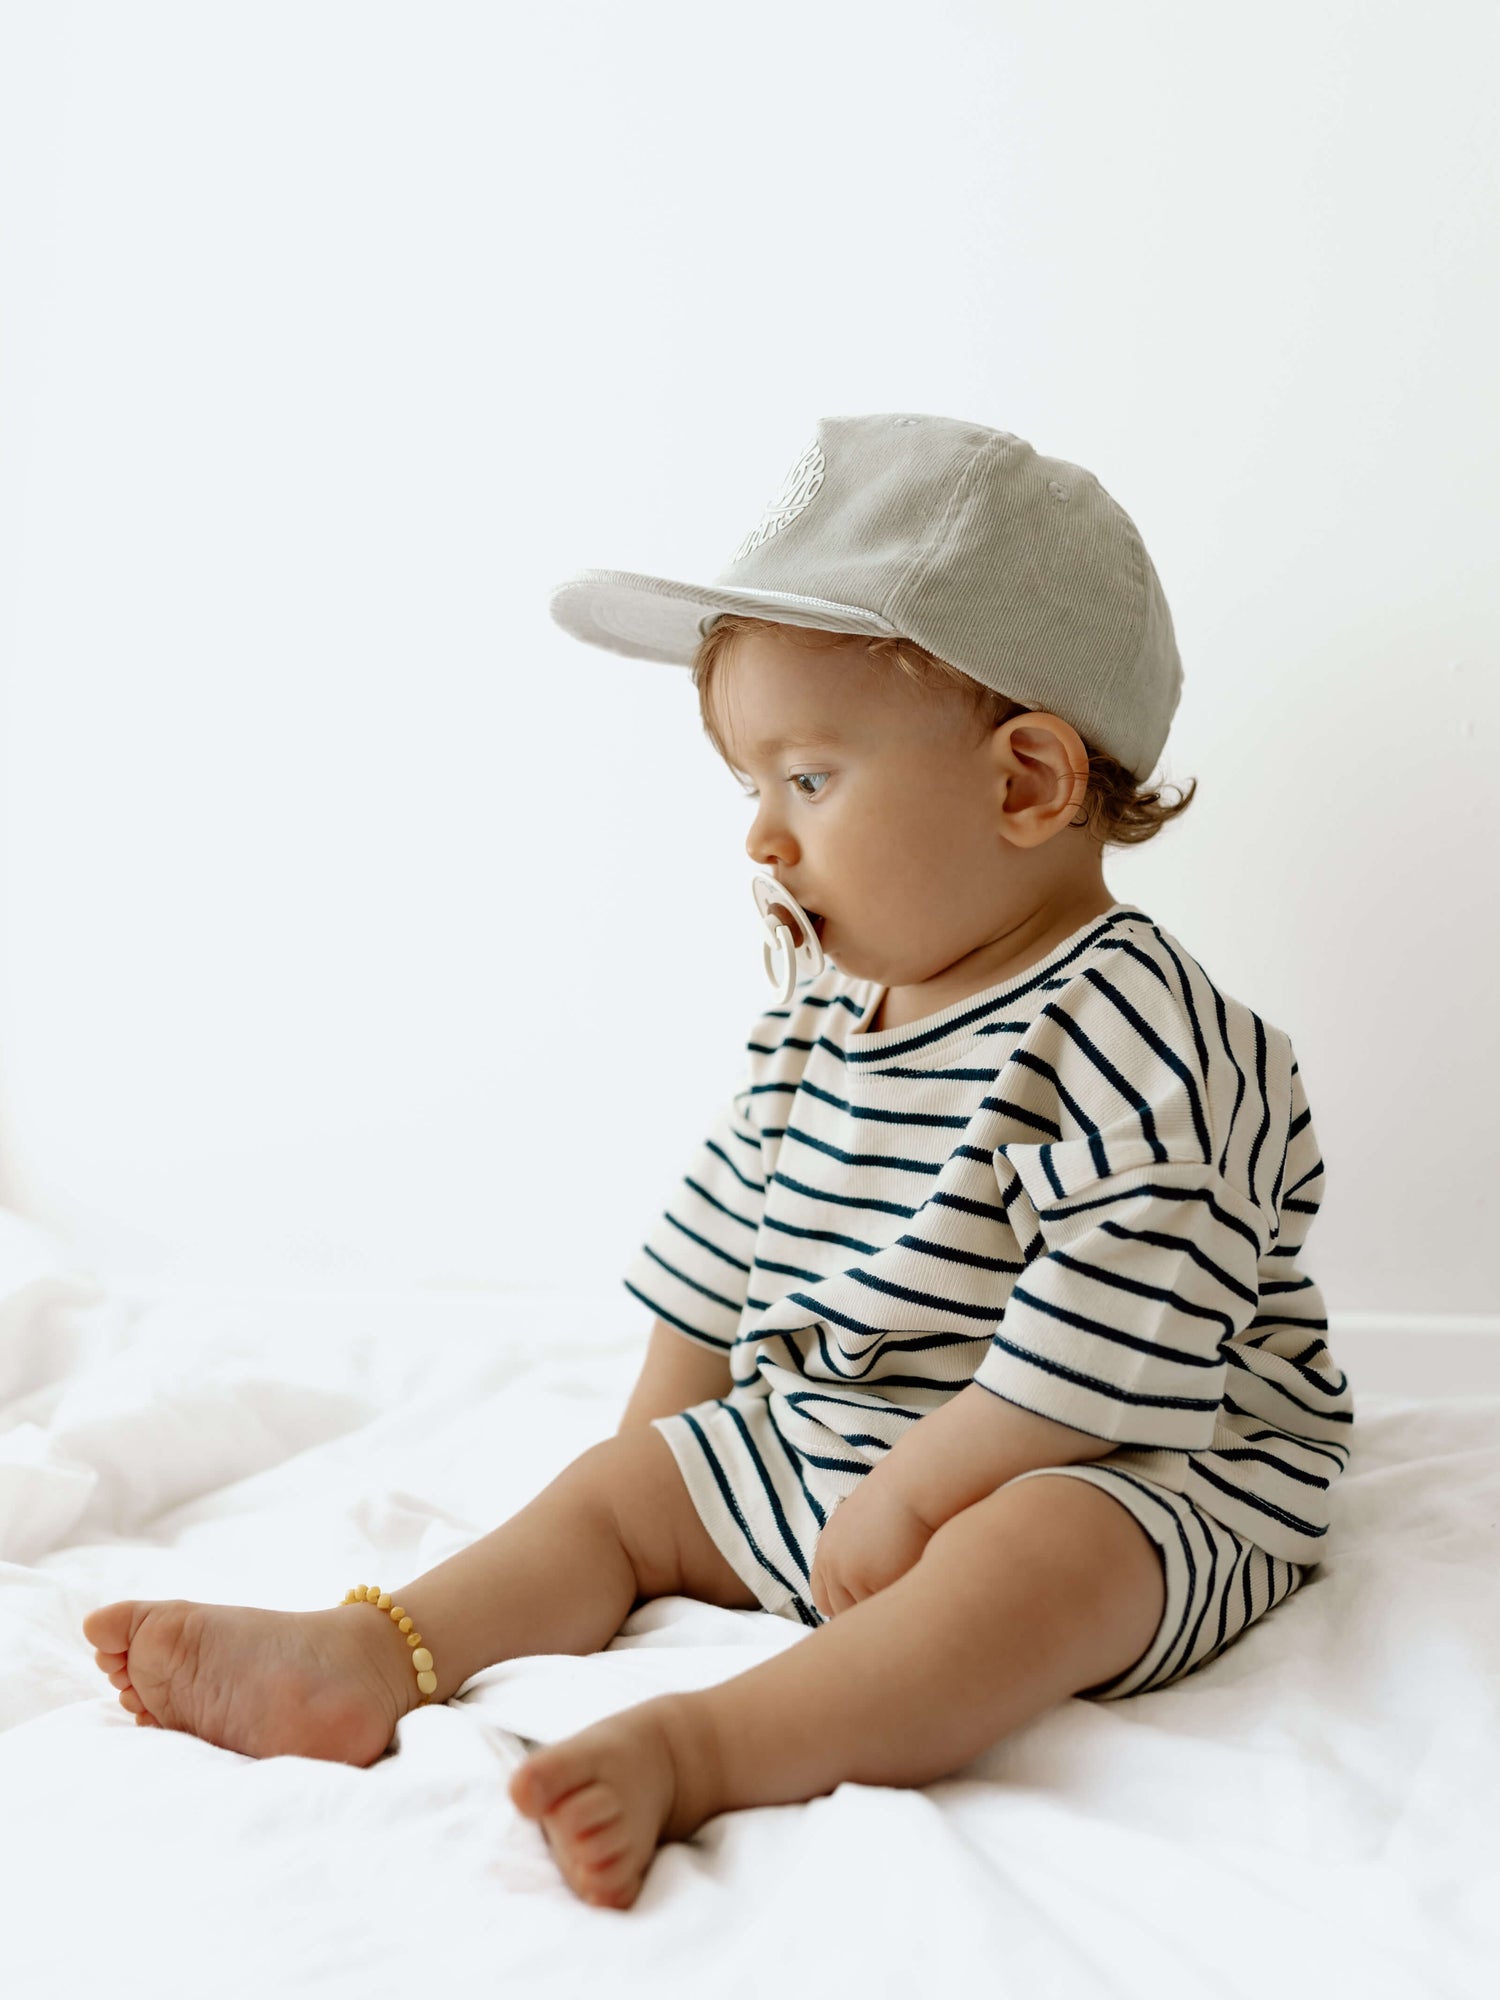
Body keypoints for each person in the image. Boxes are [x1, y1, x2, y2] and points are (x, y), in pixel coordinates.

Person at [82, 414, 1354, 1913]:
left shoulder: (1148, 1030)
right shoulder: (821, 1012)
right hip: (858, 1429)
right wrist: (657, 1487)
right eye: (748, 785)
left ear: (1026, 785)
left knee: (1041, 1552)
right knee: (622, 1482)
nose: (760, 836)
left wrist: (919, 1492)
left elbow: (1114, 1343)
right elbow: (719, 1259)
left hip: (1127, 1456)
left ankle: (709, 1746)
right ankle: (370, 1654)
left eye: (807, 779)